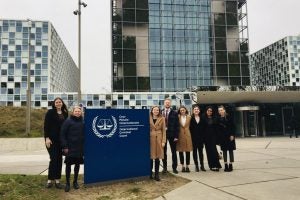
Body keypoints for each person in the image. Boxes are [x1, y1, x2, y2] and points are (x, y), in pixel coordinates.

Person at [44, 97, 68, 189]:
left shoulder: (65, 113)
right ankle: (50, 180)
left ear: (62, 103)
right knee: (53, 159)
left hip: (61, 140)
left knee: (59, 160)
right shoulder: (50, 113)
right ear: (54, 104)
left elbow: (66, 127)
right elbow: (46, 126)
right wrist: (47, 138)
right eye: (57, 102)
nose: (58, 103)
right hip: (51, 140)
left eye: (60, 102)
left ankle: (57, 180)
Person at [60, 106, 84, 192]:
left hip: (79, 148)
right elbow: (62, 134)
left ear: (81, 112)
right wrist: (65, 146)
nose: (78, 112)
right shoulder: (68, 121)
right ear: (73, 112)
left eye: (79, 111)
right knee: (68, 166)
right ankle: (67, 183)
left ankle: (75, 182)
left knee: (77, 165)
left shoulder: (83, 121)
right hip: (69, 148)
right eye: (76, 111)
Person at [162, 98, 179, 174]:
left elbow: (177, 125)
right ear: (164, 103)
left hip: (172, 135)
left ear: (170, 104)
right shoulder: (161, 112)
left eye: (169, 102)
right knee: (163, 152)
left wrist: (176, 136)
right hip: (163, 135)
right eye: (166, 102)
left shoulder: (174, 113)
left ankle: (174, 168)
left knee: (174, 152)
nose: (167, 104)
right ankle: (164, 168)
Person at [149, 106, 166, 181]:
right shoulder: (148, 117)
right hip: (150, 138)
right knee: (150, 157)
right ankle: (150, 173)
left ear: (159, 111)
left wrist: (163, 141)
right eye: (154, 110)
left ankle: (156, 174)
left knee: (157, 156)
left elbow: (164, 130)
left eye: (157, 110)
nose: (156, 111)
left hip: (159, 138)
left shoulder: (162, 118)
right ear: (152, 110)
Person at [217, 105, 236, 172]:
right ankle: (225, 165)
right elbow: (218, 129)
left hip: (230, 136)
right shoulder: (218, 119)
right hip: (222, 137)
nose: (220, 111)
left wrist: (232, 135)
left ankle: (230, 164)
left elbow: (233, 126)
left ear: (224, 110)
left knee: (230, 150)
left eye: (221, 110)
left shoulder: (229, 117)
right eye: (219, 110)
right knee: (224, 151)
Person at [203, 106, 222, 171]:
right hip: (206, 138)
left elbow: (218, 128)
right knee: (208, 152)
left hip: (213, 137)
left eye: (210, 111)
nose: (209, 112)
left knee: (214, 151)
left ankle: (216, 165)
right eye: (208, 111)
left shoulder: (215, 118)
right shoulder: (203, 118)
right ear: (206, 111)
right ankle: (211, 166)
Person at [189, 105, 206, 172]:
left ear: (199, 111)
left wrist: (204, 138)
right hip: (193, 138)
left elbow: (204, 129)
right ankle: (196, 166)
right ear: (193, 111)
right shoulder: (191, 118)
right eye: (195, 109)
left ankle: (202, 165)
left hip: (201, 139)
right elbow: (190, 129)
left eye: (197, 109)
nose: (196, 110)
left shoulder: (202, 118)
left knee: (201, 152)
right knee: (195, 152)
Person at [177, 106, 193, 172]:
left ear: (185, 110)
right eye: (181, 110)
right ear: (179, 111)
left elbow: (192, 126)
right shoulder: (178, 117)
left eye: (183, 110)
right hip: (180, 135)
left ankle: (187, 166)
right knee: (181, 151)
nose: (182, 111)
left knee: (187, 151)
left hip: (187, 135)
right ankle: (183, 166)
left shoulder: (189, 117)